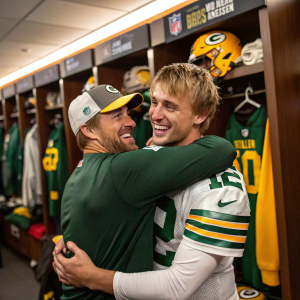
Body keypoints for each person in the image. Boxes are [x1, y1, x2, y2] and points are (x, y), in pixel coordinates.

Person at [54, 64, 247, 300]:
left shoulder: (223, 187)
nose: (153, 115)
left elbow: (177, 286)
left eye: (170, 106)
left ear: (200, 114)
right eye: (154, 102)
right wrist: (82, 236)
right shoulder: (141, 160)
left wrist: (93, 277)